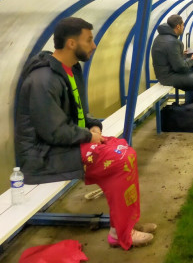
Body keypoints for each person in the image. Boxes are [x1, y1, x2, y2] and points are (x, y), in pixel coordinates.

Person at [15, 17, 156, 249]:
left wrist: (93, 126)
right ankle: (121, 232)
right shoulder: (43, 80)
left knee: (125, 150)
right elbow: (53, 131)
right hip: (45, 156)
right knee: (120, 160)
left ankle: (125, 224)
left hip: (66, 144)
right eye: (89, 40)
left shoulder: (69, 70)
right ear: (71, 43)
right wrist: (90, 136)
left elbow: (78, 112)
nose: (94, 45)